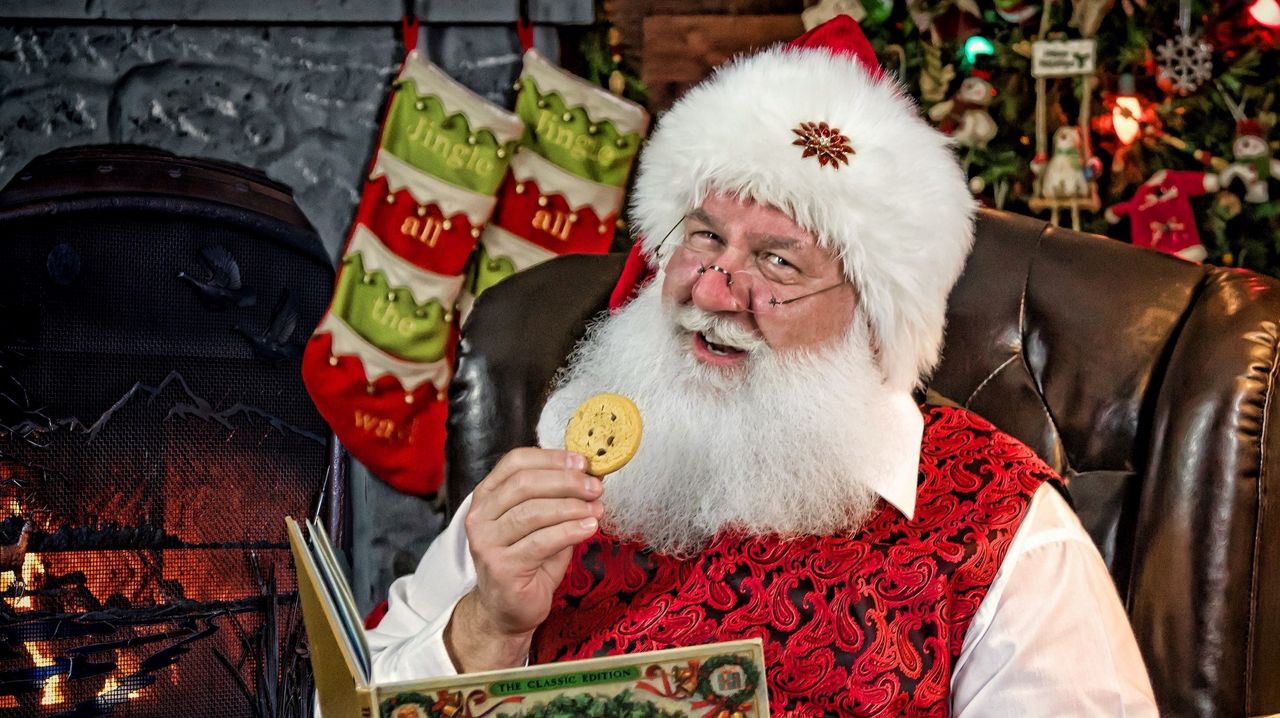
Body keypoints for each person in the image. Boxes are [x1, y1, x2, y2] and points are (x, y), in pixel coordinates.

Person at [364, 15, 1158, 716]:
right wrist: (487, 629)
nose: (713, 288)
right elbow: (354, 697)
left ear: (875, 315)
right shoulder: (568, 445)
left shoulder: (1006, 534)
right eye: (704, 236)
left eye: (778, 263)